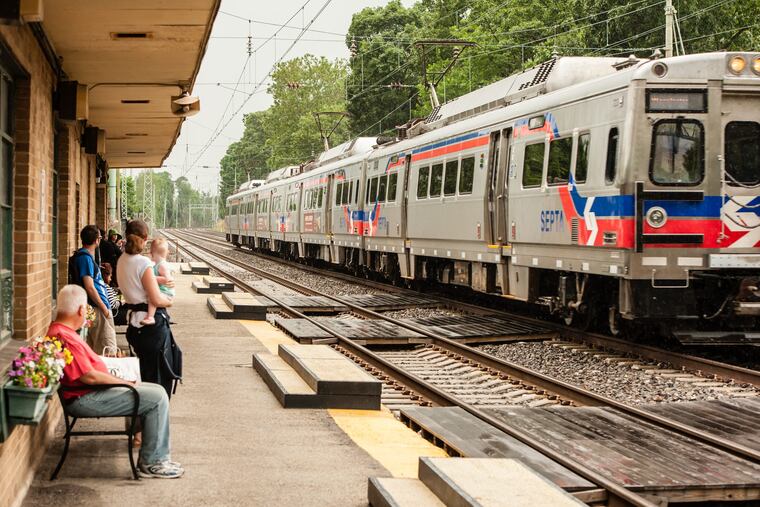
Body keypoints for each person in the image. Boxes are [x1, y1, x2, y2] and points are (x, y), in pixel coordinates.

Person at [48, 284, 183, 478]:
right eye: (85, 310)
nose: (86, 315)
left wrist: (116, 370)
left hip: (88, 392)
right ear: (80, 310)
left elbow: (88, 369)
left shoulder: (61, 331)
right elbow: (90, 376)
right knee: (157, 397)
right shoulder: (66, 337)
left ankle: (154, 455)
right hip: (85, 399)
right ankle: (152, 462)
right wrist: (123, 382)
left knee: (153, 389)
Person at [117, 220, 182, 396]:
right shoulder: (143, 264)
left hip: (134, 324)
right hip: (151, 327)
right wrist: (169, 302)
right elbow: (156, 299)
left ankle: (141, 421)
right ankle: (154, 420)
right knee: (158, 382)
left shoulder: (121, 261)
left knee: (143, 375)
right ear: (145, 239)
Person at [70, 225, 116, 354]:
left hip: (96, 307)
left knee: (94, 349)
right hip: (98, 308)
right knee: (108, 349)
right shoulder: (85, 258)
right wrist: (104, 309)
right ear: (97, 240)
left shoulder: (85, 257)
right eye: (100, 237)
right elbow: (89, 287)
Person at [140, 239, 175, 326]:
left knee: (152, 298)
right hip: (163, 292)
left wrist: (152, 278)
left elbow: (167, 279)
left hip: (165, 293)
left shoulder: (162, 265)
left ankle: (150, 317)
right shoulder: (157, 264)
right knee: (151, 296)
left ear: (152, 253)